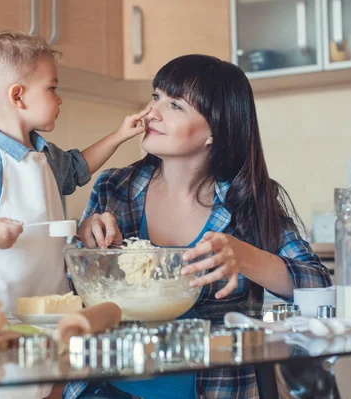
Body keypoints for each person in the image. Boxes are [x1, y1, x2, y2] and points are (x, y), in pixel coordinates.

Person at [65, 54, 332, 399]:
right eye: (156, 96)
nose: (152, 112)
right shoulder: (115, 188)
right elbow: (72, 293)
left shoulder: (248, 202)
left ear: (215, 131)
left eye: (175, 105)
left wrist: (246, 258)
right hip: (110, 388)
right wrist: (87, 243)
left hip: (214, 389)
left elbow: (318, 285)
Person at [0, 31, 148, 399]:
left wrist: (118, 135)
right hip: (1, 315)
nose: (59, 97)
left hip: (49, 309)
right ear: (18, 96)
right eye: (52, 88)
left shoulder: (46, 156)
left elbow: (80, 168)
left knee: (40, 389)